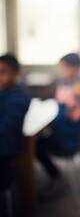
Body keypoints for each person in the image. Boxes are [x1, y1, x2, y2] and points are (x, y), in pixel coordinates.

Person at [36, 53, 80, 199]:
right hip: (61, 131)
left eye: (64, 68)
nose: (61, 71)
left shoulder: (77, 90)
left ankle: (57, 177)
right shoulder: (66, 84)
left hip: (66, 140)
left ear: (75, 68)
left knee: (37, 146)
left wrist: (51, 126)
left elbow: (72, 121)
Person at [0, 53, 31, 215]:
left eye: (3, 72)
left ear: (16, 74)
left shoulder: (19, 98)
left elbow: (5, 128)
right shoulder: (4, 93)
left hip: (5, 152)